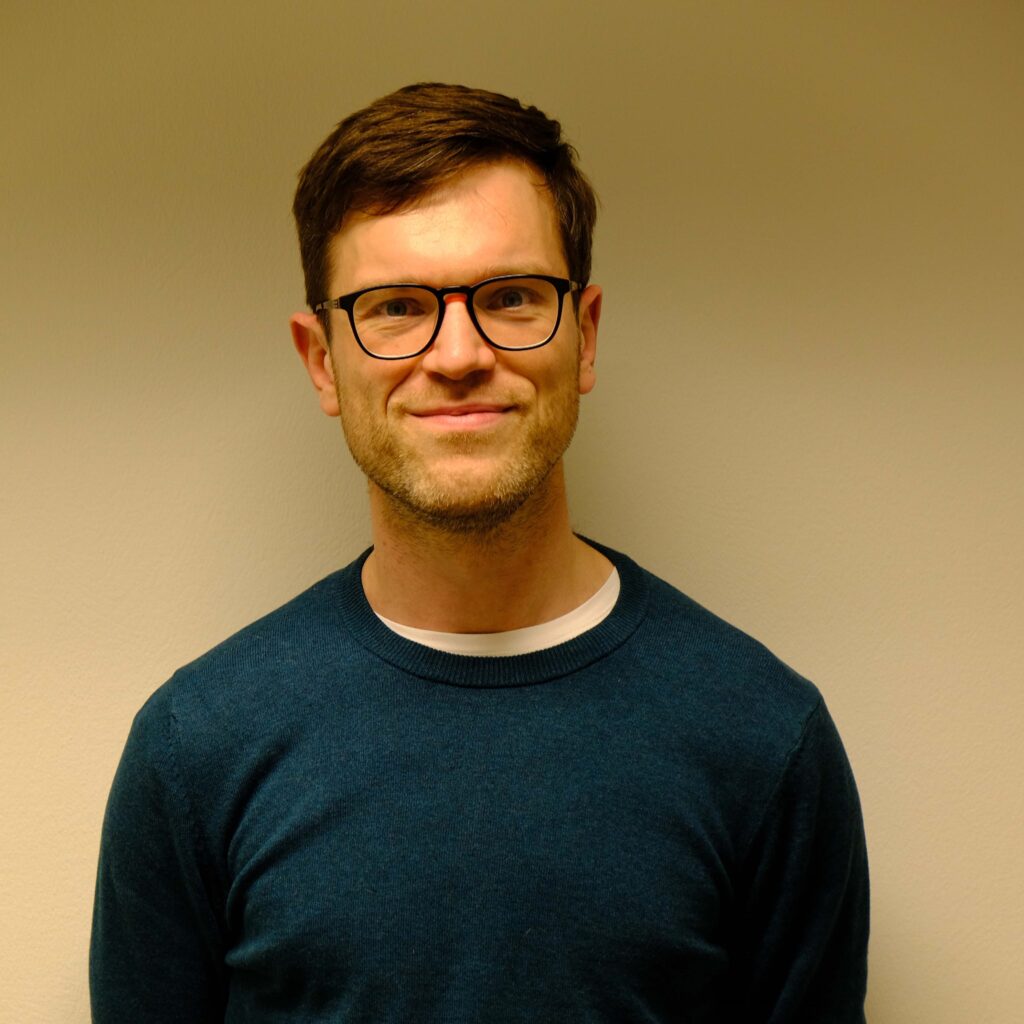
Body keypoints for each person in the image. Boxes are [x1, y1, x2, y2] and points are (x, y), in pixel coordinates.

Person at [90, 83, 869, 1022]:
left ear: (582, 338)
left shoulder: (763, 739)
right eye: (395, 307)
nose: (457, 353)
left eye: (508, 297)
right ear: (319, 360)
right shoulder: (198, 747)